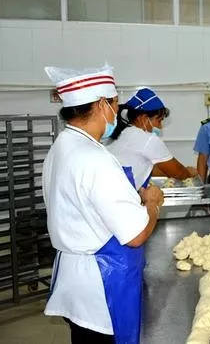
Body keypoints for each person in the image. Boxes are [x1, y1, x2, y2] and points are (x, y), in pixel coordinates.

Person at [42, 66, 163, 344]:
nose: (117, 110)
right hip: (102, 287)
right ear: (101, 104)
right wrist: (152, 204)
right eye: (115, 102)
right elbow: (135, 236)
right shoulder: (96, 158)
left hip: (74, 278)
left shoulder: (61, 147)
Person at [108, 87, 196, 189]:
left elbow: (150, 167)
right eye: (159, 120)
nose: (160, 126)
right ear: (144, 119)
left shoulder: (122, 132)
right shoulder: (148, 139)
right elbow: (179, 173)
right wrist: (189, 172)